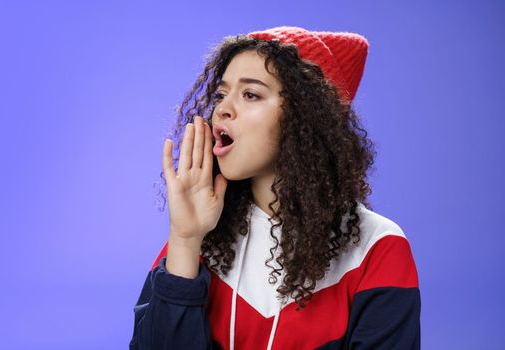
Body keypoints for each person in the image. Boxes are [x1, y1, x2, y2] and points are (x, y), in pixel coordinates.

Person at [129, 26, 421, 349]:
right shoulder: (201, 237)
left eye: (250, 94)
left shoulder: (377, 251)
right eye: (221, 95)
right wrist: (185, 240)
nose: (222, 110)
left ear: (306, 117)